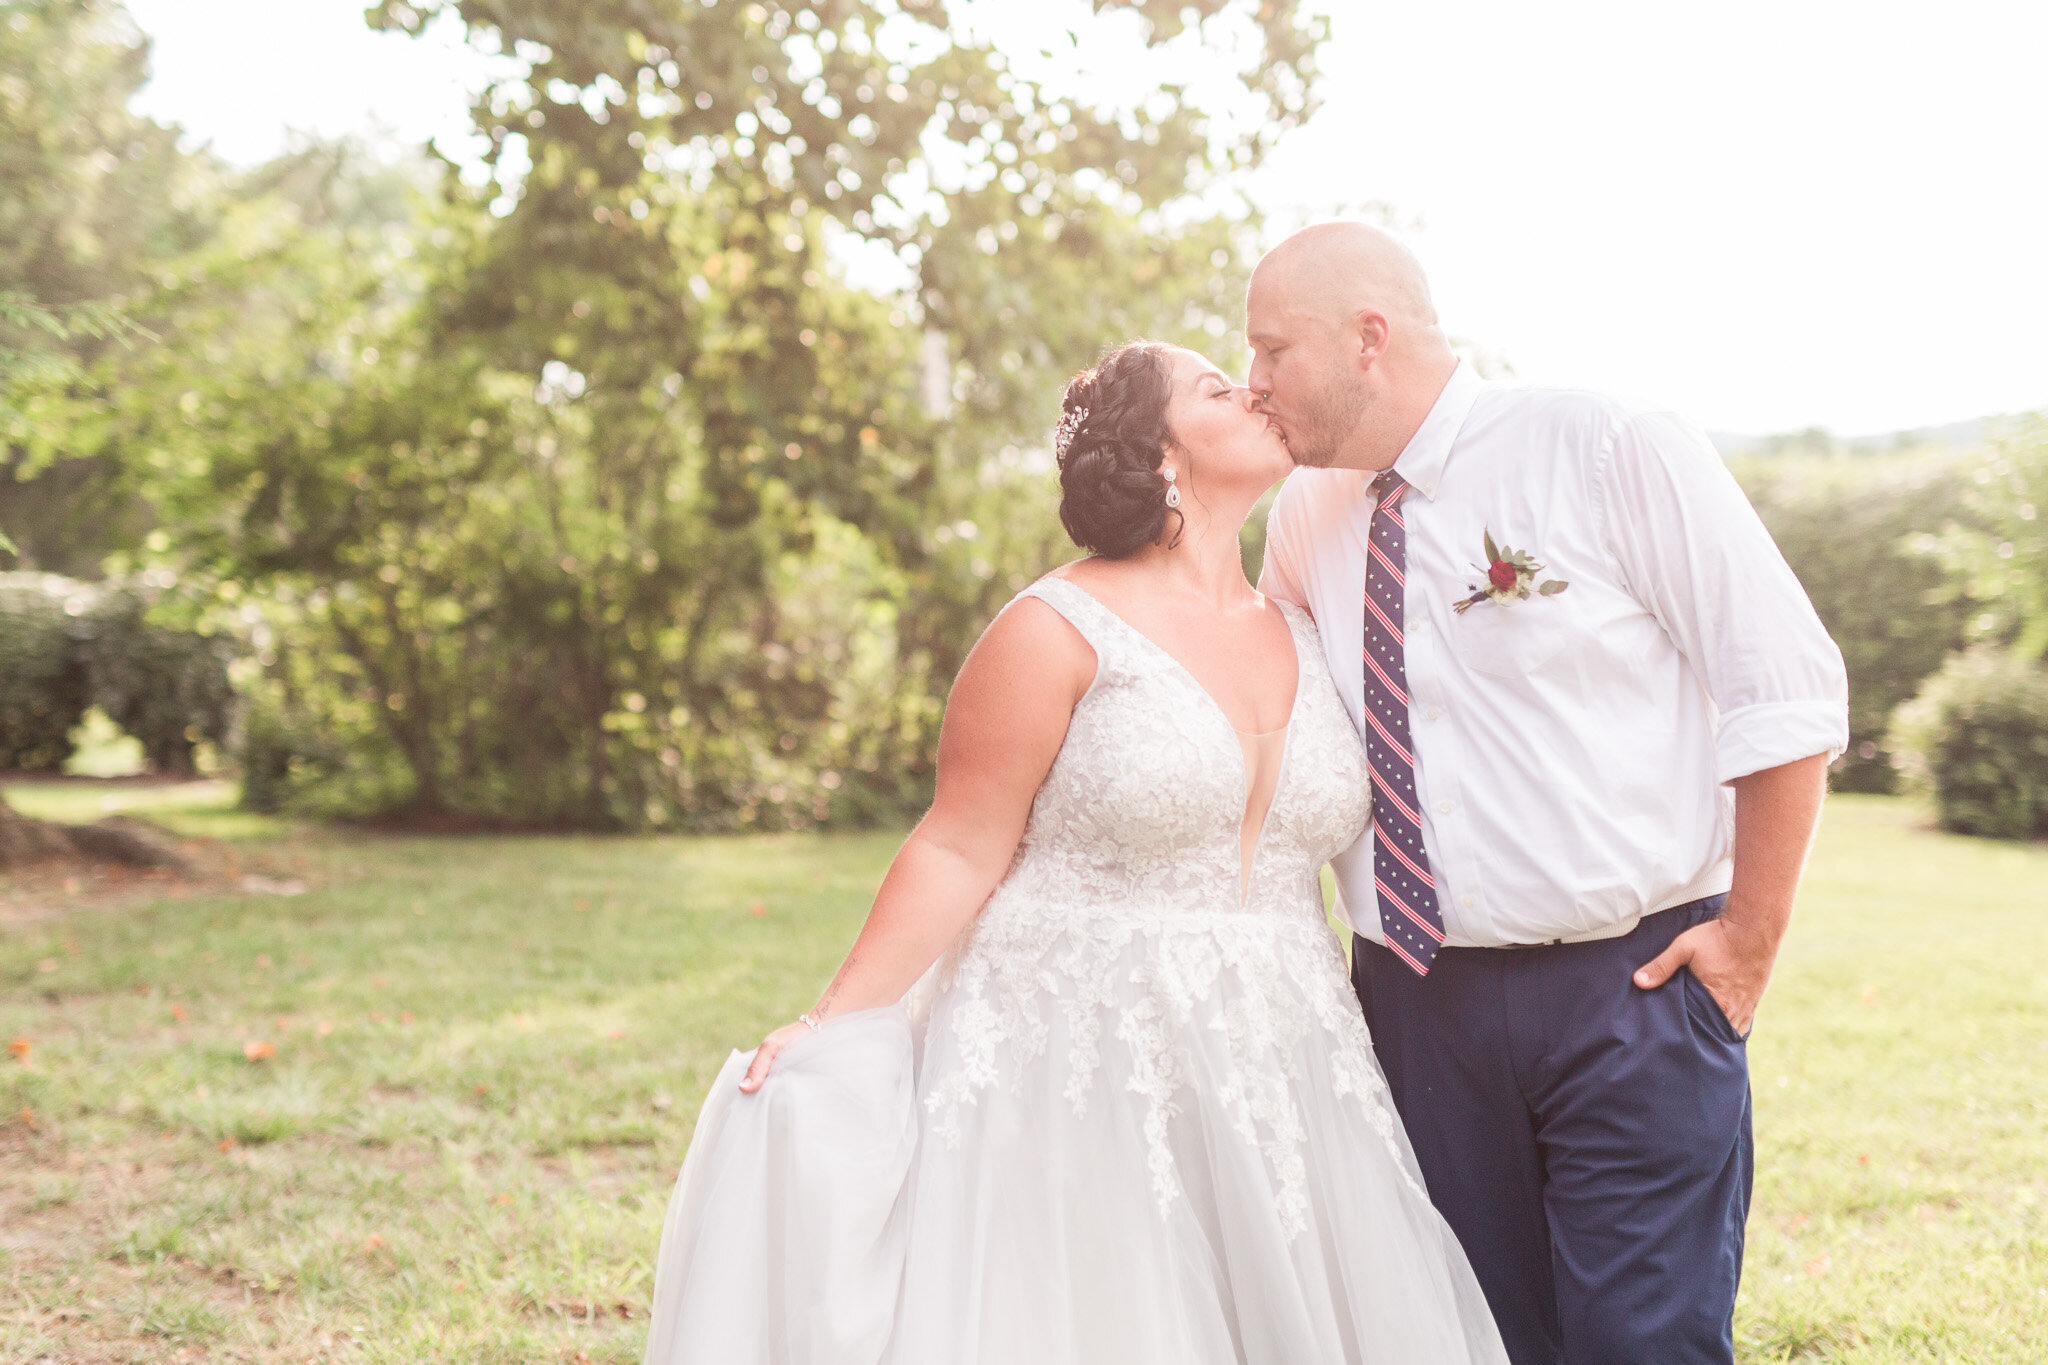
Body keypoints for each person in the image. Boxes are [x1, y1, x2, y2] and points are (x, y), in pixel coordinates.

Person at [642, 341, 1508, 1364]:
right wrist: (832, 1019)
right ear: (1157, 452)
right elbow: (958, 845)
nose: (1255, 391)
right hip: (1077, 1050)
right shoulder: (1052, 629)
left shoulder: (1305, 628)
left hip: (1285, 1055)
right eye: (1217, 389)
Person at [1249, 222, 1850, 1365]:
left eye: (1271, 349)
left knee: (1642, 1339)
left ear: (1366, 339)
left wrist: (1749, 939)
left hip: (1627, 993)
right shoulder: (1302, 519)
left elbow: (1781, 689)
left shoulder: (1603, 446)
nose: (1252, 380)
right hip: (1412, 1007)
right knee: (1469, 1335)